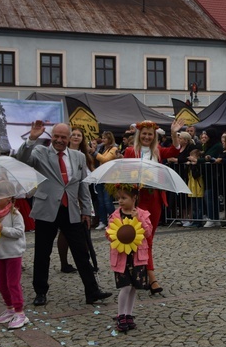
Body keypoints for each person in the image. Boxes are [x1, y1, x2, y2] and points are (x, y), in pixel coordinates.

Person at [15, 121, 111, 306]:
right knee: (42, 254)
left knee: (81, 253)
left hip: (71, 210)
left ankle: (92, 291)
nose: (59, 140)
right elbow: (23, 160)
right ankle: (40, 292)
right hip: (46, 209)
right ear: (52, 137)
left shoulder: (78, 157)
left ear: (68, 138)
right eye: (56, 136)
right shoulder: (40, 152)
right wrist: (32, 138)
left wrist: (86, 209)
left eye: (63, 137)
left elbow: (83, 184)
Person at [123, 119, 182, 296]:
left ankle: (144, 274)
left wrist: (173, 133)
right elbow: (126, 175)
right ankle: (151, 278)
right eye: (145, 133)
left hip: (154, 198)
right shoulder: (130, 151)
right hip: (138, 199)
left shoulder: (158, 152)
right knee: (138, 239)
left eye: (150, 134)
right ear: (139, 135)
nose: (147, 137)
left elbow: (175, 150)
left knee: (149, 238)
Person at [107, 187, 152, 333]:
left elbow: (148, 232)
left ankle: (129, 314)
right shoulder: (115, 215)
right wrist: (115, 235)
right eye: (118, 198)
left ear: (134, 198)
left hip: (137, 256)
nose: (120, 201)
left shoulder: (142, 214)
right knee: (125, 286)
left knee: (133, 287)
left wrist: (139, 218)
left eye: (124, 198)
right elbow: (108, 233)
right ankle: (121, 315)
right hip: (122, 257)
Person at [58, 127, 98, 274]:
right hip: (68, 198)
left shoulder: (85, 156)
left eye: (78, 135)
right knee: (65, 231)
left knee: (85, 230)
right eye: (73, 134)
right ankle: (64, 263)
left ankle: (86, 262)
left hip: (84, 196)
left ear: (82, 138)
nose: (75, 137)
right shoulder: (62, 155)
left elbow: (88, 175)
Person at [0, 180, 29, 329]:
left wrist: (2, 229)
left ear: (9, 197)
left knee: (13, 283)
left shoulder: (15, 214)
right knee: (2, 284)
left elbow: (19, 232)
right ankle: (9, 308)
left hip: (13, 254)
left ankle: (20, 312)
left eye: (1, 194)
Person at [93, 131, 118, 230]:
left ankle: (113, 221)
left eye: (105, 138)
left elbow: (105, 159)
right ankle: (103, 221)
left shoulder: (114, 148)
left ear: (110, 139)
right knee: (101, 201)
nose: (103, 140)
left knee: (108, 201)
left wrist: (94, 152)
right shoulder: (102, 148)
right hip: (100, 176)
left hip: (109, 177)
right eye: (102, 138)